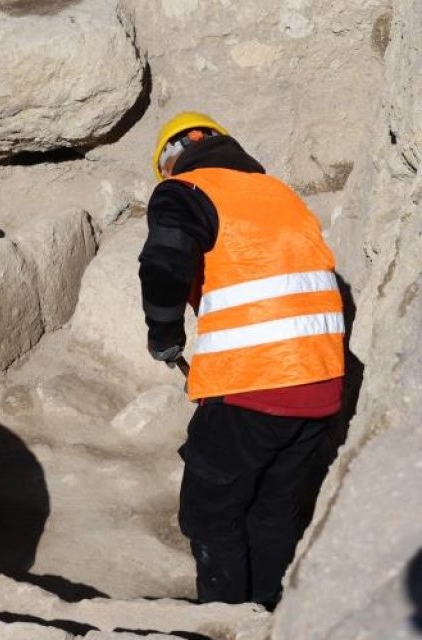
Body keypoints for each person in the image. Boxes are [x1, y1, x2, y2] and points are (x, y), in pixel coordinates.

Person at [140, 112, 346, 608]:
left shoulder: (185, 189)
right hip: (323, 384)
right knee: (274, 510)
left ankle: (225, 617)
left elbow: (164, 262)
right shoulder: (279, 194)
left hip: (254, 383)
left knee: (210, 513)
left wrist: (164, 332)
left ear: (173, 159)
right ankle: (270, 612)